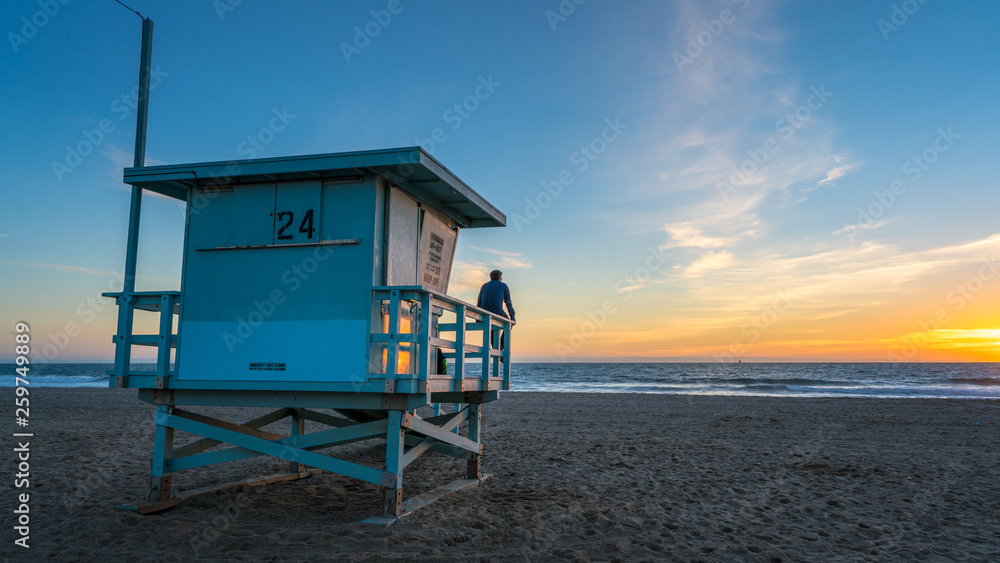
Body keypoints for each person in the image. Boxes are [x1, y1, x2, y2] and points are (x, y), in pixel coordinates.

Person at [477, 269, 515, 351]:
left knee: (490, 327)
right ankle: (501, 345)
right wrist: (513, 317)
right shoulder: (503, 286)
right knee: (509, 324)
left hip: (484, 313)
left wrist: (478, 317)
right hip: (497, 312)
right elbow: (508, 303)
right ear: (499, 278)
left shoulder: (484, 286)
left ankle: (497, 348)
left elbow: (479, 302)